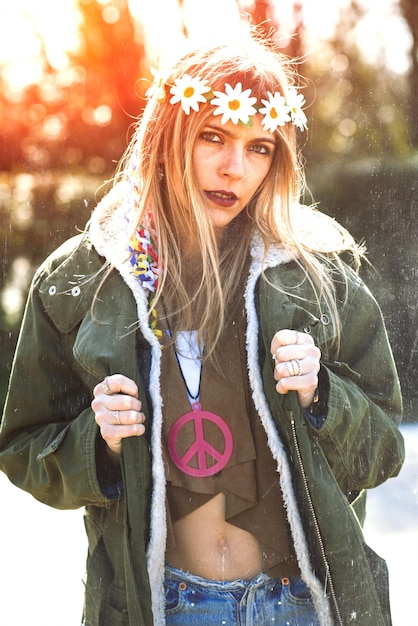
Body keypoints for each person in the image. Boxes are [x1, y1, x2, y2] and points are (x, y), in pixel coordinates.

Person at [0, 31, 404, 626]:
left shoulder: (318, 274)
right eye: (212, 136)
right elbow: (24, 447)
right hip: (164, 605)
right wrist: (100, 442)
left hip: (301, 605)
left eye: (259, 147)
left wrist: (323, 396)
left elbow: (384, 452)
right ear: (169, 135)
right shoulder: (88, 277)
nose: (233, 168)